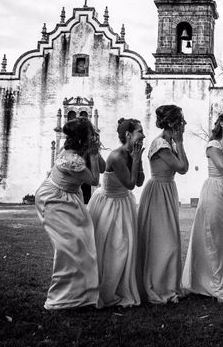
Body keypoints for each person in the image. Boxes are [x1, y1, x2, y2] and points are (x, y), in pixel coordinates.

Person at [182, 109, 223, 302]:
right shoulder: (212, 145)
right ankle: (218, 287)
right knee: (216, 239)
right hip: (214, 191)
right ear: (222, 124)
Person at [34, 117, 101, 310]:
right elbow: (95, 180)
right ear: (83, 137)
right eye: (91, 132)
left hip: (67, 196)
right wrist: (94, 155)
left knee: (81, 243)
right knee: (69, 246)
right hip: (54, 199)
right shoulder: (73, 160)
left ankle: (80, 295)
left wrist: (93, 151)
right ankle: (60, 298)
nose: (94, 134)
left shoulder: (73, 152)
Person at [87, 118, 144, 308]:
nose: (143, 135)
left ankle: (121, 286)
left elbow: (140, 181)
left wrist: (138, 160)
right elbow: (130, 183)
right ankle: (105, 291)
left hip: (124, 203)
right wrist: (135, 160)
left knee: (125, 248)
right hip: (109, 206)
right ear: (128, 135)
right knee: (114, 248)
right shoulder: (117, 156)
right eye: (139, 132)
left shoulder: (133, 153)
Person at [137, 105, 189, 304]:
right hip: (158, 192)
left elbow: (184, 167)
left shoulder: (170, 144)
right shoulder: (160, 144)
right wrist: (181, 142)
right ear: (172, 124)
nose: (184, 124)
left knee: (170, 241)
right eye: (181, 121)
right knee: (162, 242)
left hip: (168, 190)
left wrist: (179, 143)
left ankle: (168, 285)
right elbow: (182, 168)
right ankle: (158, 287)